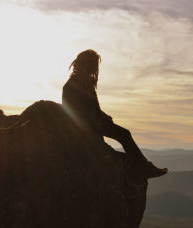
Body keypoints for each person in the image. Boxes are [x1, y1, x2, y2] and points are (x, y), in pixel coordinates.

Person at [62, 49, 167, 179]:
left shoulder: (79, 83)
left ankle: (142, 166)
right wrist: (101, 121)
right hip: (88, 126)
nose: (94, 68)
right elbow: (80, 113)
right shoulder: (76, 85)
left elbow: (92, 109)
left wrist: (104, 117)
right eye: (93, 64)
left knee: (124, 134)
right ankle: (144, 167)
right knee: (124, 134)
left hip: (90, 124)